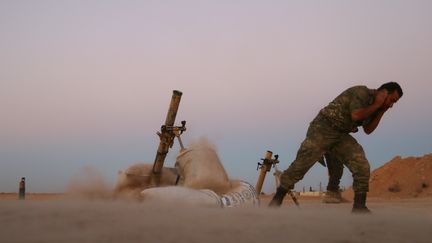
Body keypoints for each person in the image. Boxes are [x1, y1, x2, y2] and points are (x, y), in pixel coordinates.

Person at [269, 82, 403, 213]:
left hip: (340, 134)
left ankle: (359, 207)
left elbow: (368, 130)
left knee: (361, 165)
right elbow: (356, 115)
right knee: (301, 166)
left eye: (394, 103)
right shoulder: (362, 92)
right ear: (384, 93)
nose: (391, 105)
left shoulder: (375, 107)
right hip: (323, 128)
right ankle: (276, 201)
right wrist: (378, 104)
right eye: (391, 100)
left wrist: (381, 111)